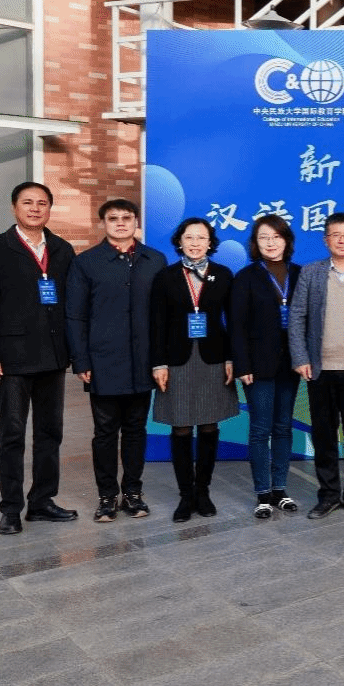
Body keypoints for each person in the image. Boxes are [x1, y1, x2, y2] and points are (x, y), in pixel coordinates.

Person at [0, 181, 79, 535]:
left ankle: (42, 501)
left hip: (53, 356)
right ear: (14, 207)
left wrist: (73, 353)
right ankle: (11, 509)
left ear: (49, 209)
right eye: (28, 202)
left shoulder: (62, 249)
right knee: (13, 434)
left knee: (50, 433)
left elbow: (71, 305)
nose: (35, 208)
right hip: (13, 359)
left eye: (42, 203)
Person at [66, 198, 166, 523]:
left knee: (136, 429)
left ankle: (133, 493)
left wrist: (161, 361)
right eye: (113, 218)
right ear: (103, 223)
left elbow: (164, 317)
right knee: (105, 432)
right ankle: (107, 496)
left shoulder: (155, 260)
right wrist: (81, 361)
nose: (121, 223)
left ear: (136, 222)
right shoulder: (87, 262)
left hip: (143, 361)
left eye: (127, 217)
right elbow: (75, 316)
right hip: (103, 361)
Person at [288, 213, 344, 520]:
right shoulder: (311, 272)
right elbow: (297, 317)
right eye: (335, 234)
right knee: (324, 436)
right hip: (320, 369)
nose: (342, 239)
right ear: (326, 240)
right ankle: (328, 495)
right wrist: (300, 357)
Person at [150, 217, 239, 523]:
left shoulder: (223, 275)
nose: (195, 243)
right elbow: (157, 323)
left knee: (210, 426)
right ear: (180, 241)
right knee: (181, 427)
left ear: (210, 243)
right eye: (189, 237)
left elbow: (233, 321)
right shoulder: (166, 277)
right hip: (177, 360)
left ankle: (203, 491)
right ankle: (185, 495)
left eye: (202, 238)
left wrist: (232, 359)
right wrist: (159, 363)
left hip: (214, 359)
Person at [230, 215, 302, 518]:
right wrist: (242, 364)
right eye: (264, 238)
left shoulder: (300, 274)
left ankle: (280, 489)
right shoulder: (246, 277)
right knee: (261, 429)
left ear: (286, 240)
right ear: (255, 243)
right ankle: (262, 492)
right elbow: (236, 324)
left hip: (292, 363)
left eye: (276, 237)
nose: (271, 243)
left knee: (283, 426)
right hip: (257, 366)